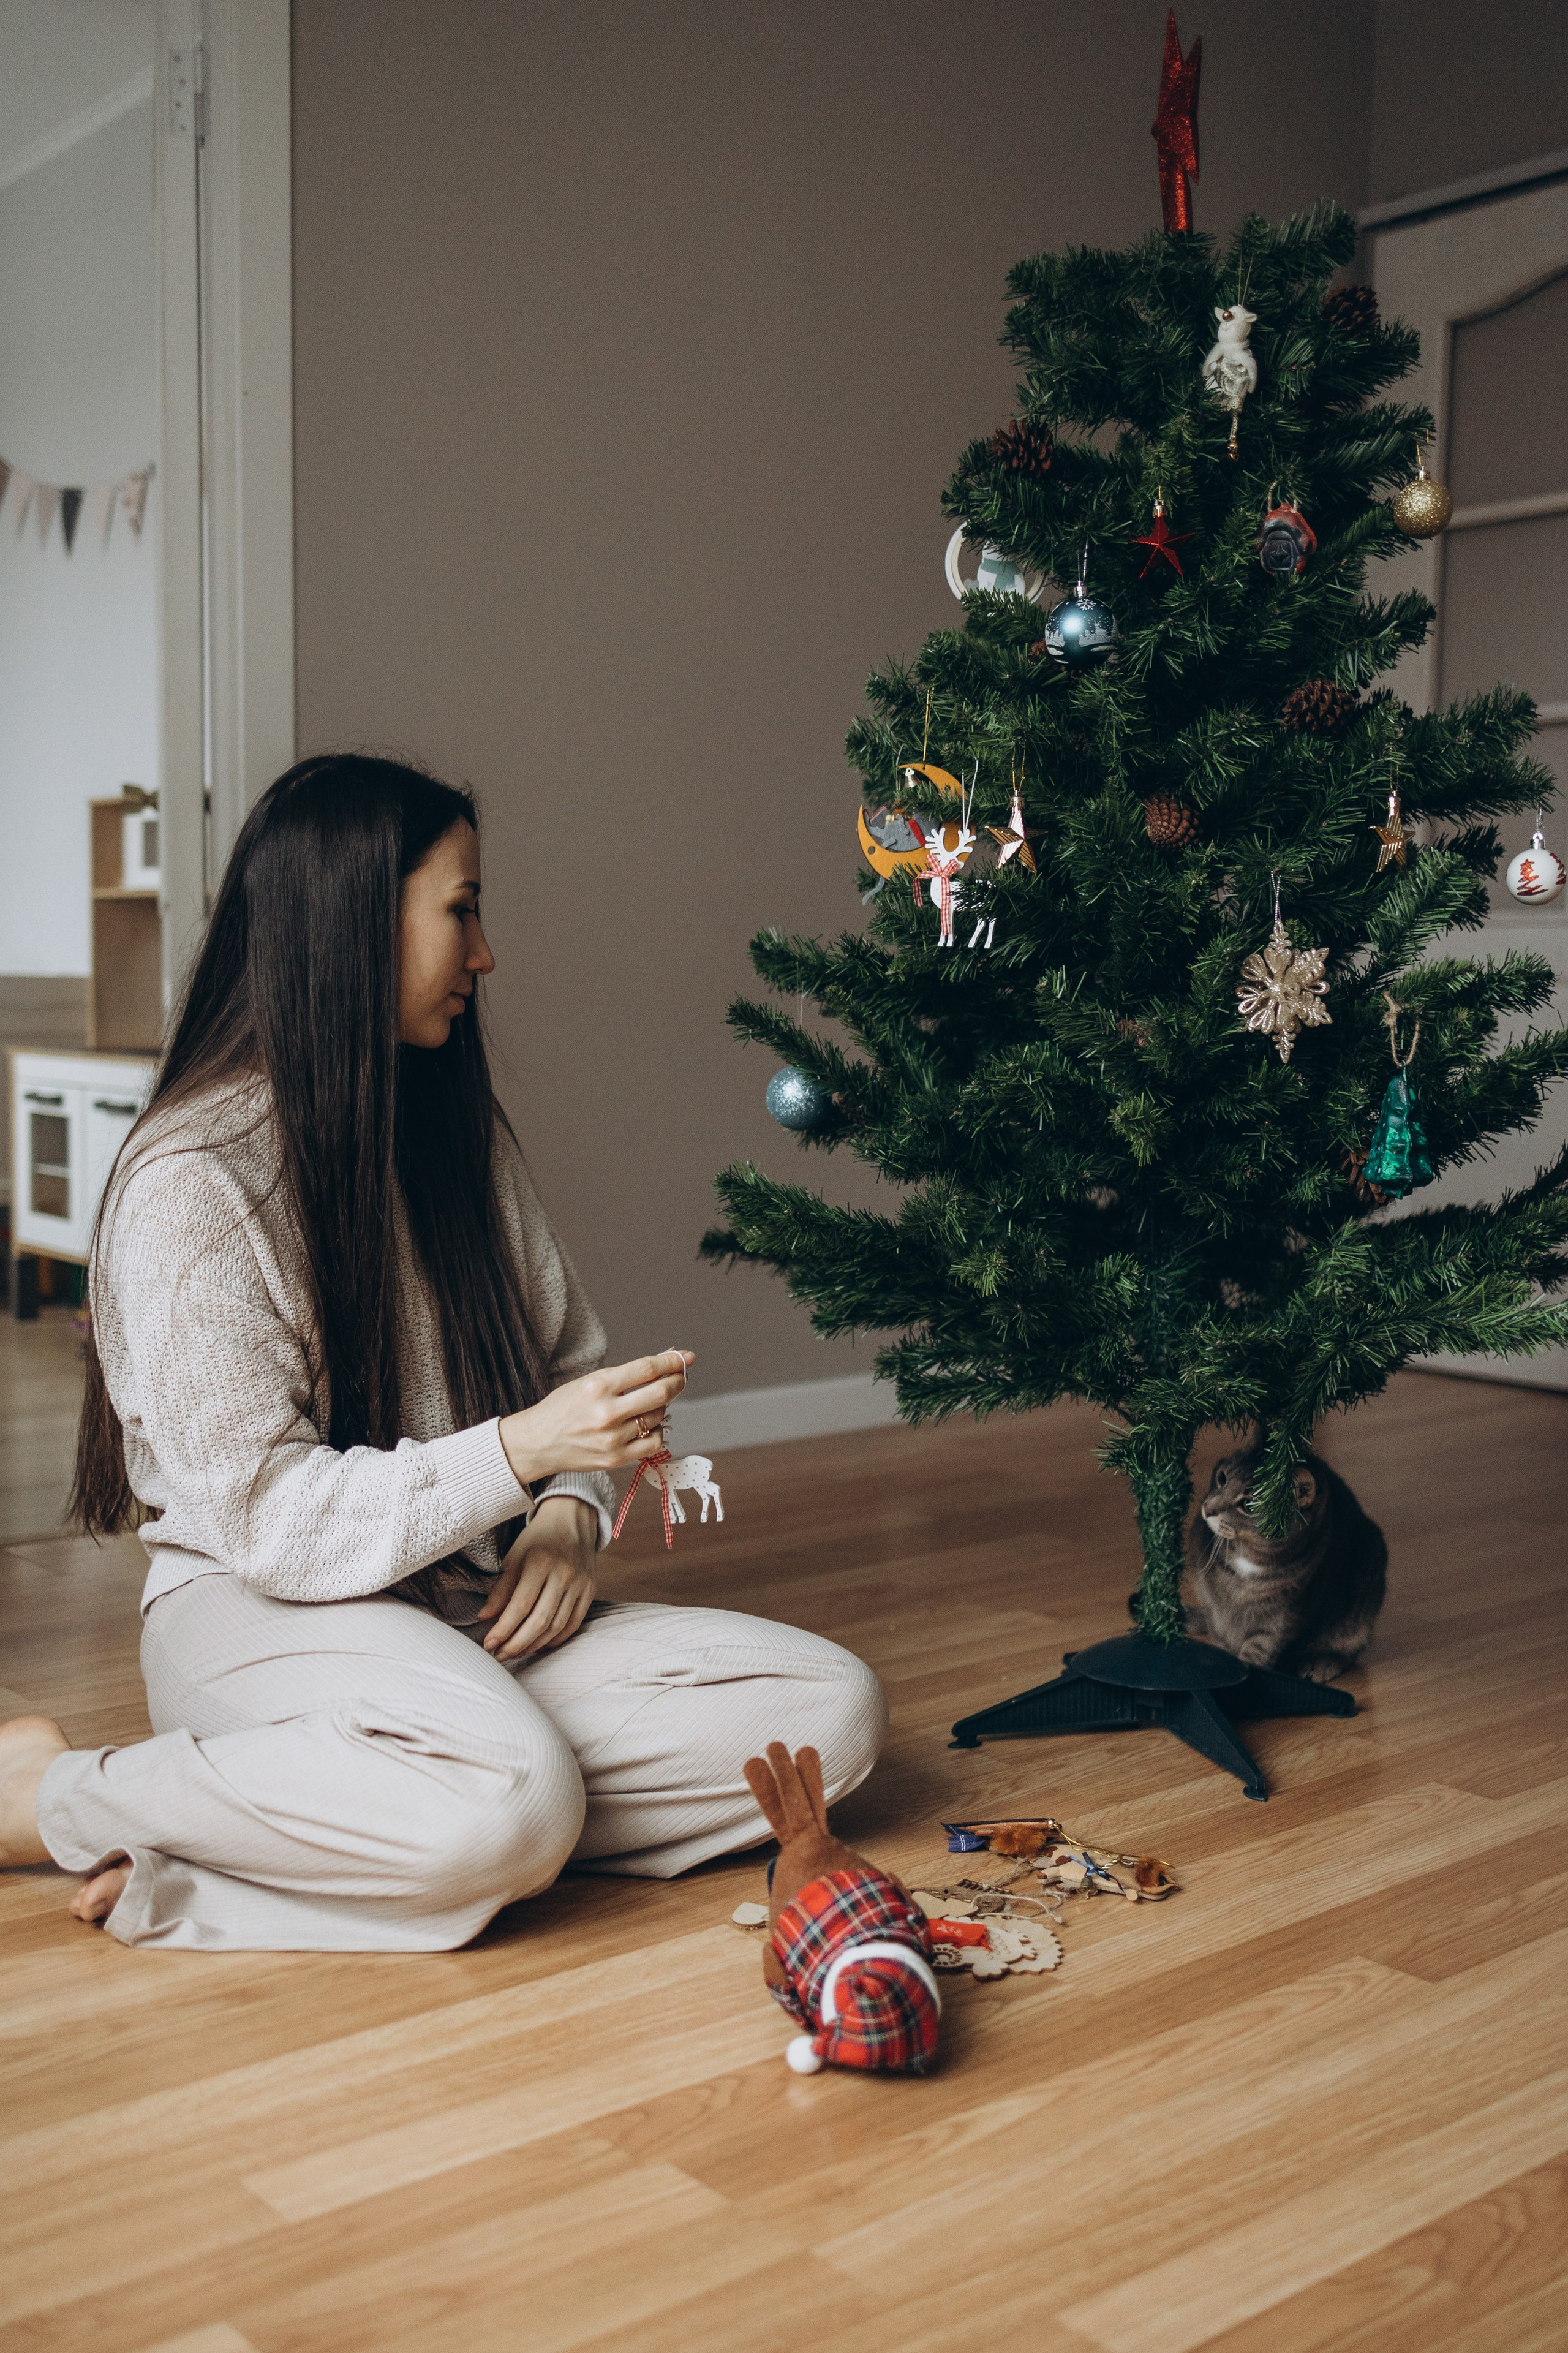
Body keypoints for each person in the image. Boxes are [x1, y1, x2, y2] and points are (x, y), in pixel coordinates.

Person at [0, 755, 886, 1950]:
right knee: (516, 1799)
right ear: (354, 923)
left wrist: (568, 1514)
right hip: (253, 1609)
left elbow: (570, 1365)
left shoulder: (449, 1133)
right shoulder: (191, 1183)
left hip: (460, 1606)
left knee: (828, 1714)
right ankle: (57, 1795)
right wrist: (525, 1453)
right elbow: (269, 1520)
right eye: (460, 909)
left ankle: (344, 1825)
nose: (485, 953)